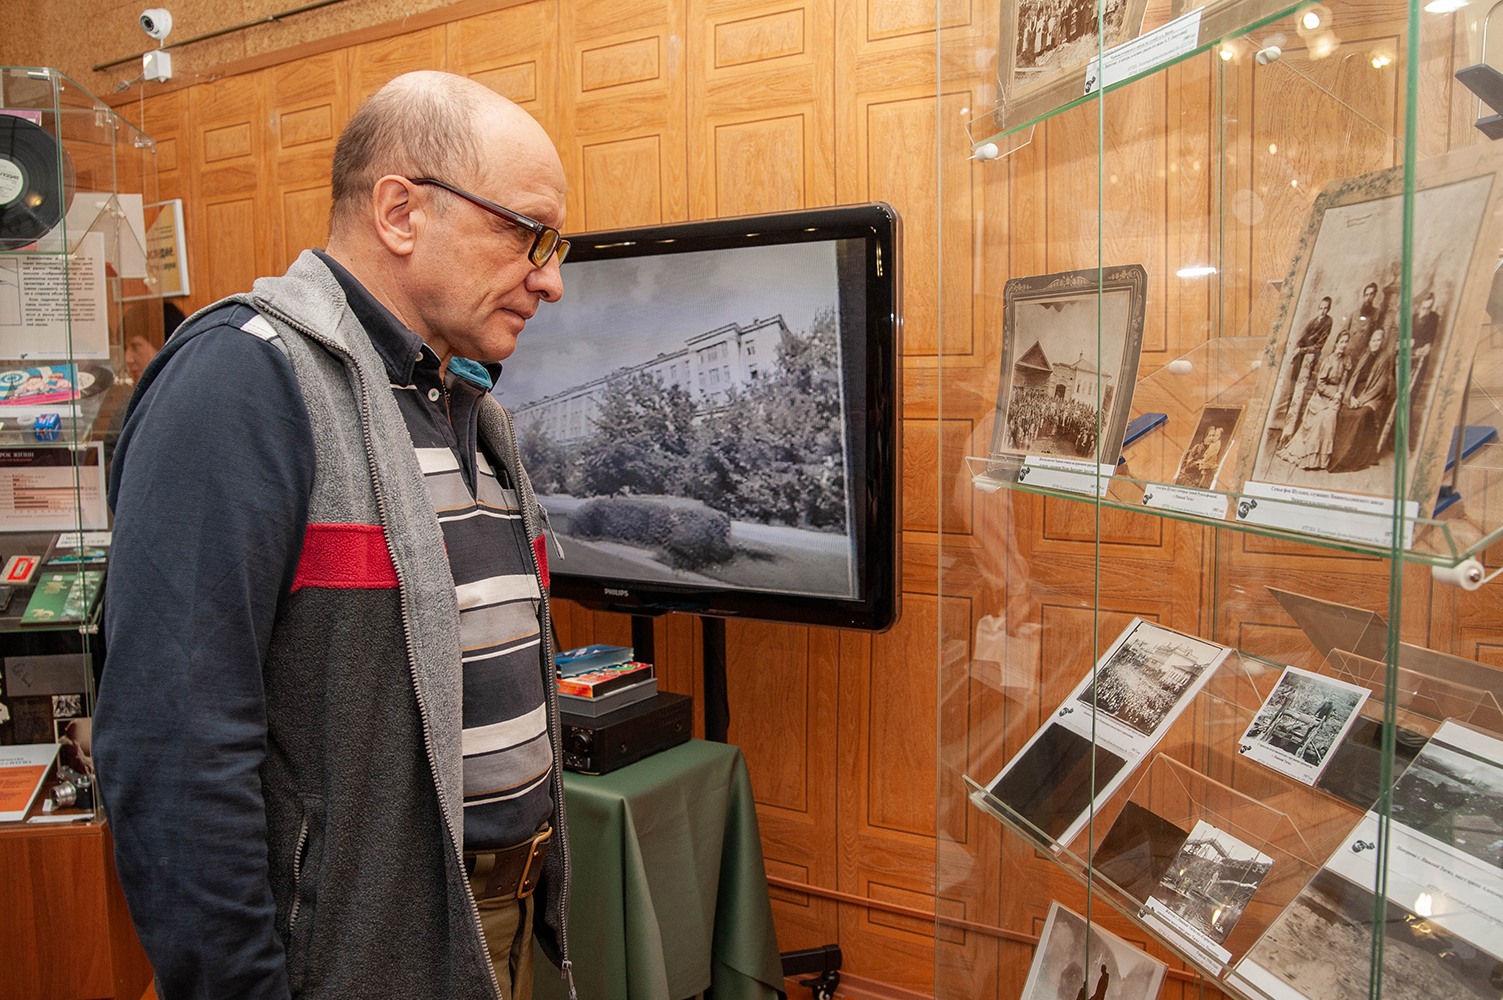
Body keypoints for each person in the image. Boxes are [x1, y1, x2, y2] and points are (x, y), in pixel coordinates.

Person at [93, 71, 573, 1000]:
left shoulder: (462, 399)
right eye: (527, 234)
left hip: (499, 924)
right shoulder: (239, 383)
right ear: (400, 210)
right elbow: (174, 753)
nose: (550, 279)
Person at [1277, 330, 1352, 471]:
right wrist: (1332, 394)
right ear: (1336, 343)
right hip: (1321, 397)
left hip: (1335, 397)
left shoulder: (1347, 360)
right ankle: (1310, 459)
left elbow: (1343, 381)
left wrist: (1340, 394)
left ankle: (1322, 461)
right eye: (1341, 342)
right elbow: (1320, 385)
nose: (1343, 345)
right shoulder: (1328, 361)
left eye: (1346, 342)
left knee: (1330, 417)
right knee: (1322, 419)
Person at [1328, 326, 1396, 474]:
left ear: (1382, 341)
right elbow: (1353, 379)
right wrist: (1350, 396)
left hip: (1372, 397)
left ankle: (1348, 458)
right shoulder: (1365, 356)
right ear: (1370, 341)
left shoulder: (1385, 358)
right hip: (1356, 394)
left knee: (1360, 415)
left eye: (1379, 340)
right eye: (1374, 340)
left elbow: (1381, 385)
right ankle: (1332, 455)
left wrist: (1361, 400)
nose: (1376, 343)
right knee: (1340, 412)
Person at [1276, 295, 1333, 445]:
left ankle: (1292, 432)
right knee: (1292, 390)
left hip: (1310, 359)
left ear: (1329, 309)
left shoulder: (1328, 322)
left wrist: (1302, 350)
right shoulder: (1312, 321)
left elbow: (1318, 346)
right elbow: (1300, 339)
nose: (1322, 311)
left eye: (1325, 308)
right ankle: (1285, 431)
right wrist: (1296, 350)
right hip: (1300, 357)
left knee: (1300, 393)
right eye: (1321, 308)